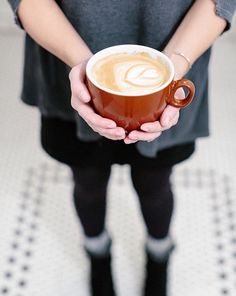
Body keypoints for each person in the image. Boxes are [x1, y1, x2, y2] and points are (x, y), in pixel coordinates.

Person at [8, 0, 236, 295]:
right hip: (64, 55)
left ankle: (160, 254)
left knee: (154, 182)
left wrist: (173, 65)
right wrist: (82, 65)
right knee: (87, 180)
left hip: (176, 59)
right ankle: (97, 252)